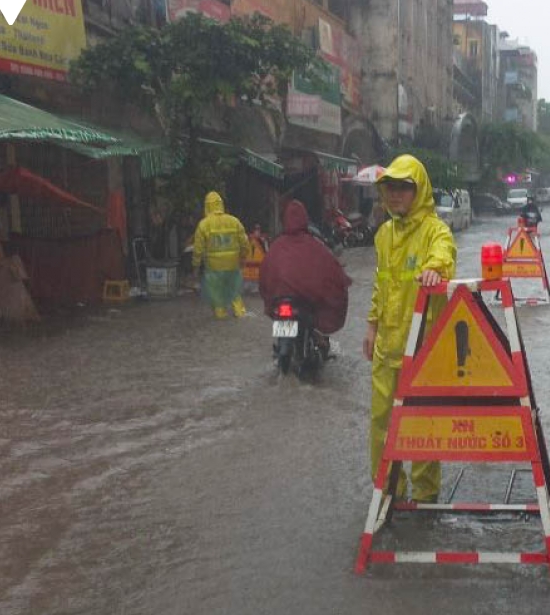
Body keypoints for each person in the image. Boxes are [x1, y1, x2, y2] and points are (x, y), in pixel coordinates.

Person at [364, 155, 456, 504]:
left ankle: (425, 499)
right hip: (388, 348)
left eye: (404, 187)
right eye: (390, 187)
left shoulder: (435, 230)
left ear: (418, 190)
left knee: (422, 428)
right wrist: (371, 327)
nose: (395, 194)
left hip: (423, 351)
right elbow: (380, 284)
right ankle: (388, 493)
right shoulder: (384, 234)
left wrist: (435, 269)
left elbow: (444, 254)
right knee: (381, 427)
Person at [259, 200, 352, 336]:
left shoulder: (276, 246)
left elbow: (264, 274)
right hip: (303, 302)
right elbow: (332, 270)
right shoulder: (315, 244)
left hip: (280, 300)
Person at [192, 191, 249, 319]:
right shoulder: (234, 221)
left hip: (213, 266)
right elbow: (245, 243)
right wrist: (243, 258)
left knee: (216, 292)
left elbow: (198, 250)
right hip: (233, 264)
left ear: (206, 206)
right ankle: (239, 312)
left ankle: (220, 314)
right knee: (234, 289)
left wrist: (195, 268)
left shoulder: (203, 225)